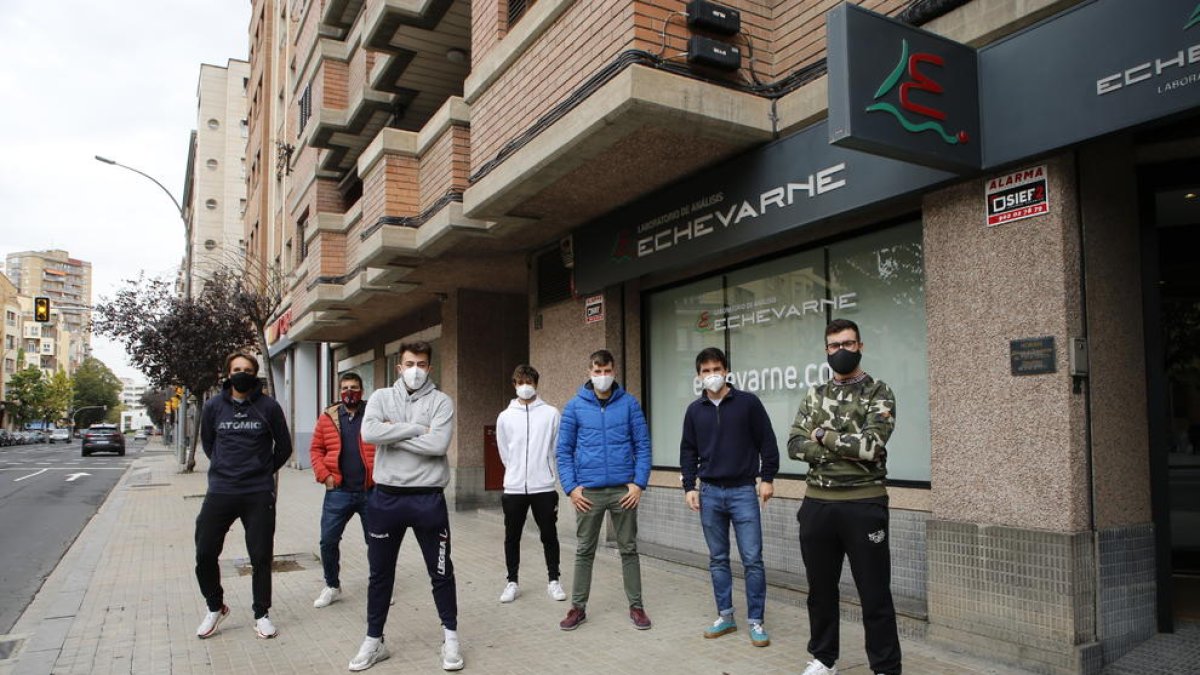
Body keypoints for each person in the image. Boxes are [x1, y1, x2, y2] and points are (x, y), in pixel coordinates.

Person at [787, 319, 901, 675]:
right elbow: (793, 444)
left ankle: (885, 667)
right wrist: (837, 448)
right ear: (826, 350)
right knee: (820, 590)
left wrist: (822, 434)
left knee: (874, 592)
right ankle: (824, 658)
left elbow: (870, 446)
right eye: (834, 345)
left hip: (863, 504)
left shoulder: (879, 392)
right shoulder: (814, 393)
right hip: (817, 504)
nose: (841, 351)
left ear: (860, 346)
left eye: (848, 344)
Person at [349, 341, 462, 672]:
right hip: (386, 498)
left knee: (441, 572)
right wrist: (415, 430)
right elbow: (369, 433)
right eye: (410, 363)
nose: (416, 369)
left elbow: (438, 443)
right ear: (399, 367)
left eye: (422, 364)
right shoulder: (382, 397)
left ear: (430, 367)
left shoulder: (442, 402)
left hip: (427, 498)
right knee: (380, 574)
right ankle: (374, 640)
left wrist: (391, 434)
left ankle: (451, 638)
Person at [680, 347, 779, 648]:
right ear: (698, 375)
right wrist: (689, 486)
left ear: (726, 371)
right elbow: (688, 451)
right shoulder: (695, 411)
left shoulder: (748, 403)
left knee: (752, 560)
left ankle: (756, 621)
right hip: (709, 492)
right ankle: (726, 616)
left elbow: (768, 442)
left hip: (743, 492)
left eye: (716, 369)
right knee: (718, 559)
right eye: (706, 371)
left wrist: (768, 478)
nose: (712, 375)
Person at [194, 351, 293, 640]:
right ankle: (215, 607)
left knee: (261, 556)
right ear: (228, 373)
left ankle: (261, 614)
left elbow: (284, 447)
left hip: (257, 493)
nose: (242, 373)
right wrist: (226, 468)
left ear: (255, 374)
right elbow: (209, 444)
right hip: (221, 491)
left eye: (247, 370)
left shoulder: (269, 407)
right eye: (237, 369)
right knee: (205, 553)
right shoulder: (213, 406)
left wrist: (262, 471)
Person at [555, 349, 652, 631]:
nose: (602, 377)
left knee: (629, 549)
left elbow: (643, 445)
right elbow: (563, 451)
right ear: (589, 373)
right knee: (584, 550)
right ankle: (577, 608)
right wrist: (572, 488)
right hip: (589, 493)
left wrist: (638, 483)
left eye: (607, 371)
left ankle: (637, 607)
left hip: (624, 490)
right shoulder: (574, 407)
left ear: (614, 371)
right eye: (597, 372)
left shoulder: (629, 404)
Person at [495, 364, 566, 604]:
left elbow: (556, 449)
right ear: (514, 384)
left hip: (543, 487)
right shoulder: (505, 417)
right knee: (511, 536)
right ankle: (512, 582)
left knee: (549, 535)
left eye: (529, 382)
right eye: (520, 382)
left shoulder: (551, 413)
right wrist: (515, 472)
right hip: (514, 487)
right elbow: (505, 451)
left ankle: (554, 580)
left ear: (536, 383)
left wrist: (545, 471)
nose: (525, 387)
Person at [309, 372, 377, 608]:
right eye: (346, 388)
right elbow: (316, 449)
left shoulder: (373, 413)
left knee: (377, 542)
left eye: (355, 387)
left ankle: (380, 587)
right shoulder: (328, 417)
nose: (350, 392)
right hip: (338, 491)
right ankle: (332, 585)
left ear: (362, 390)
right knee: (328, 541)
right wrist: (324, 476)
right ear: (339, 392)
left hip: (371, 491)